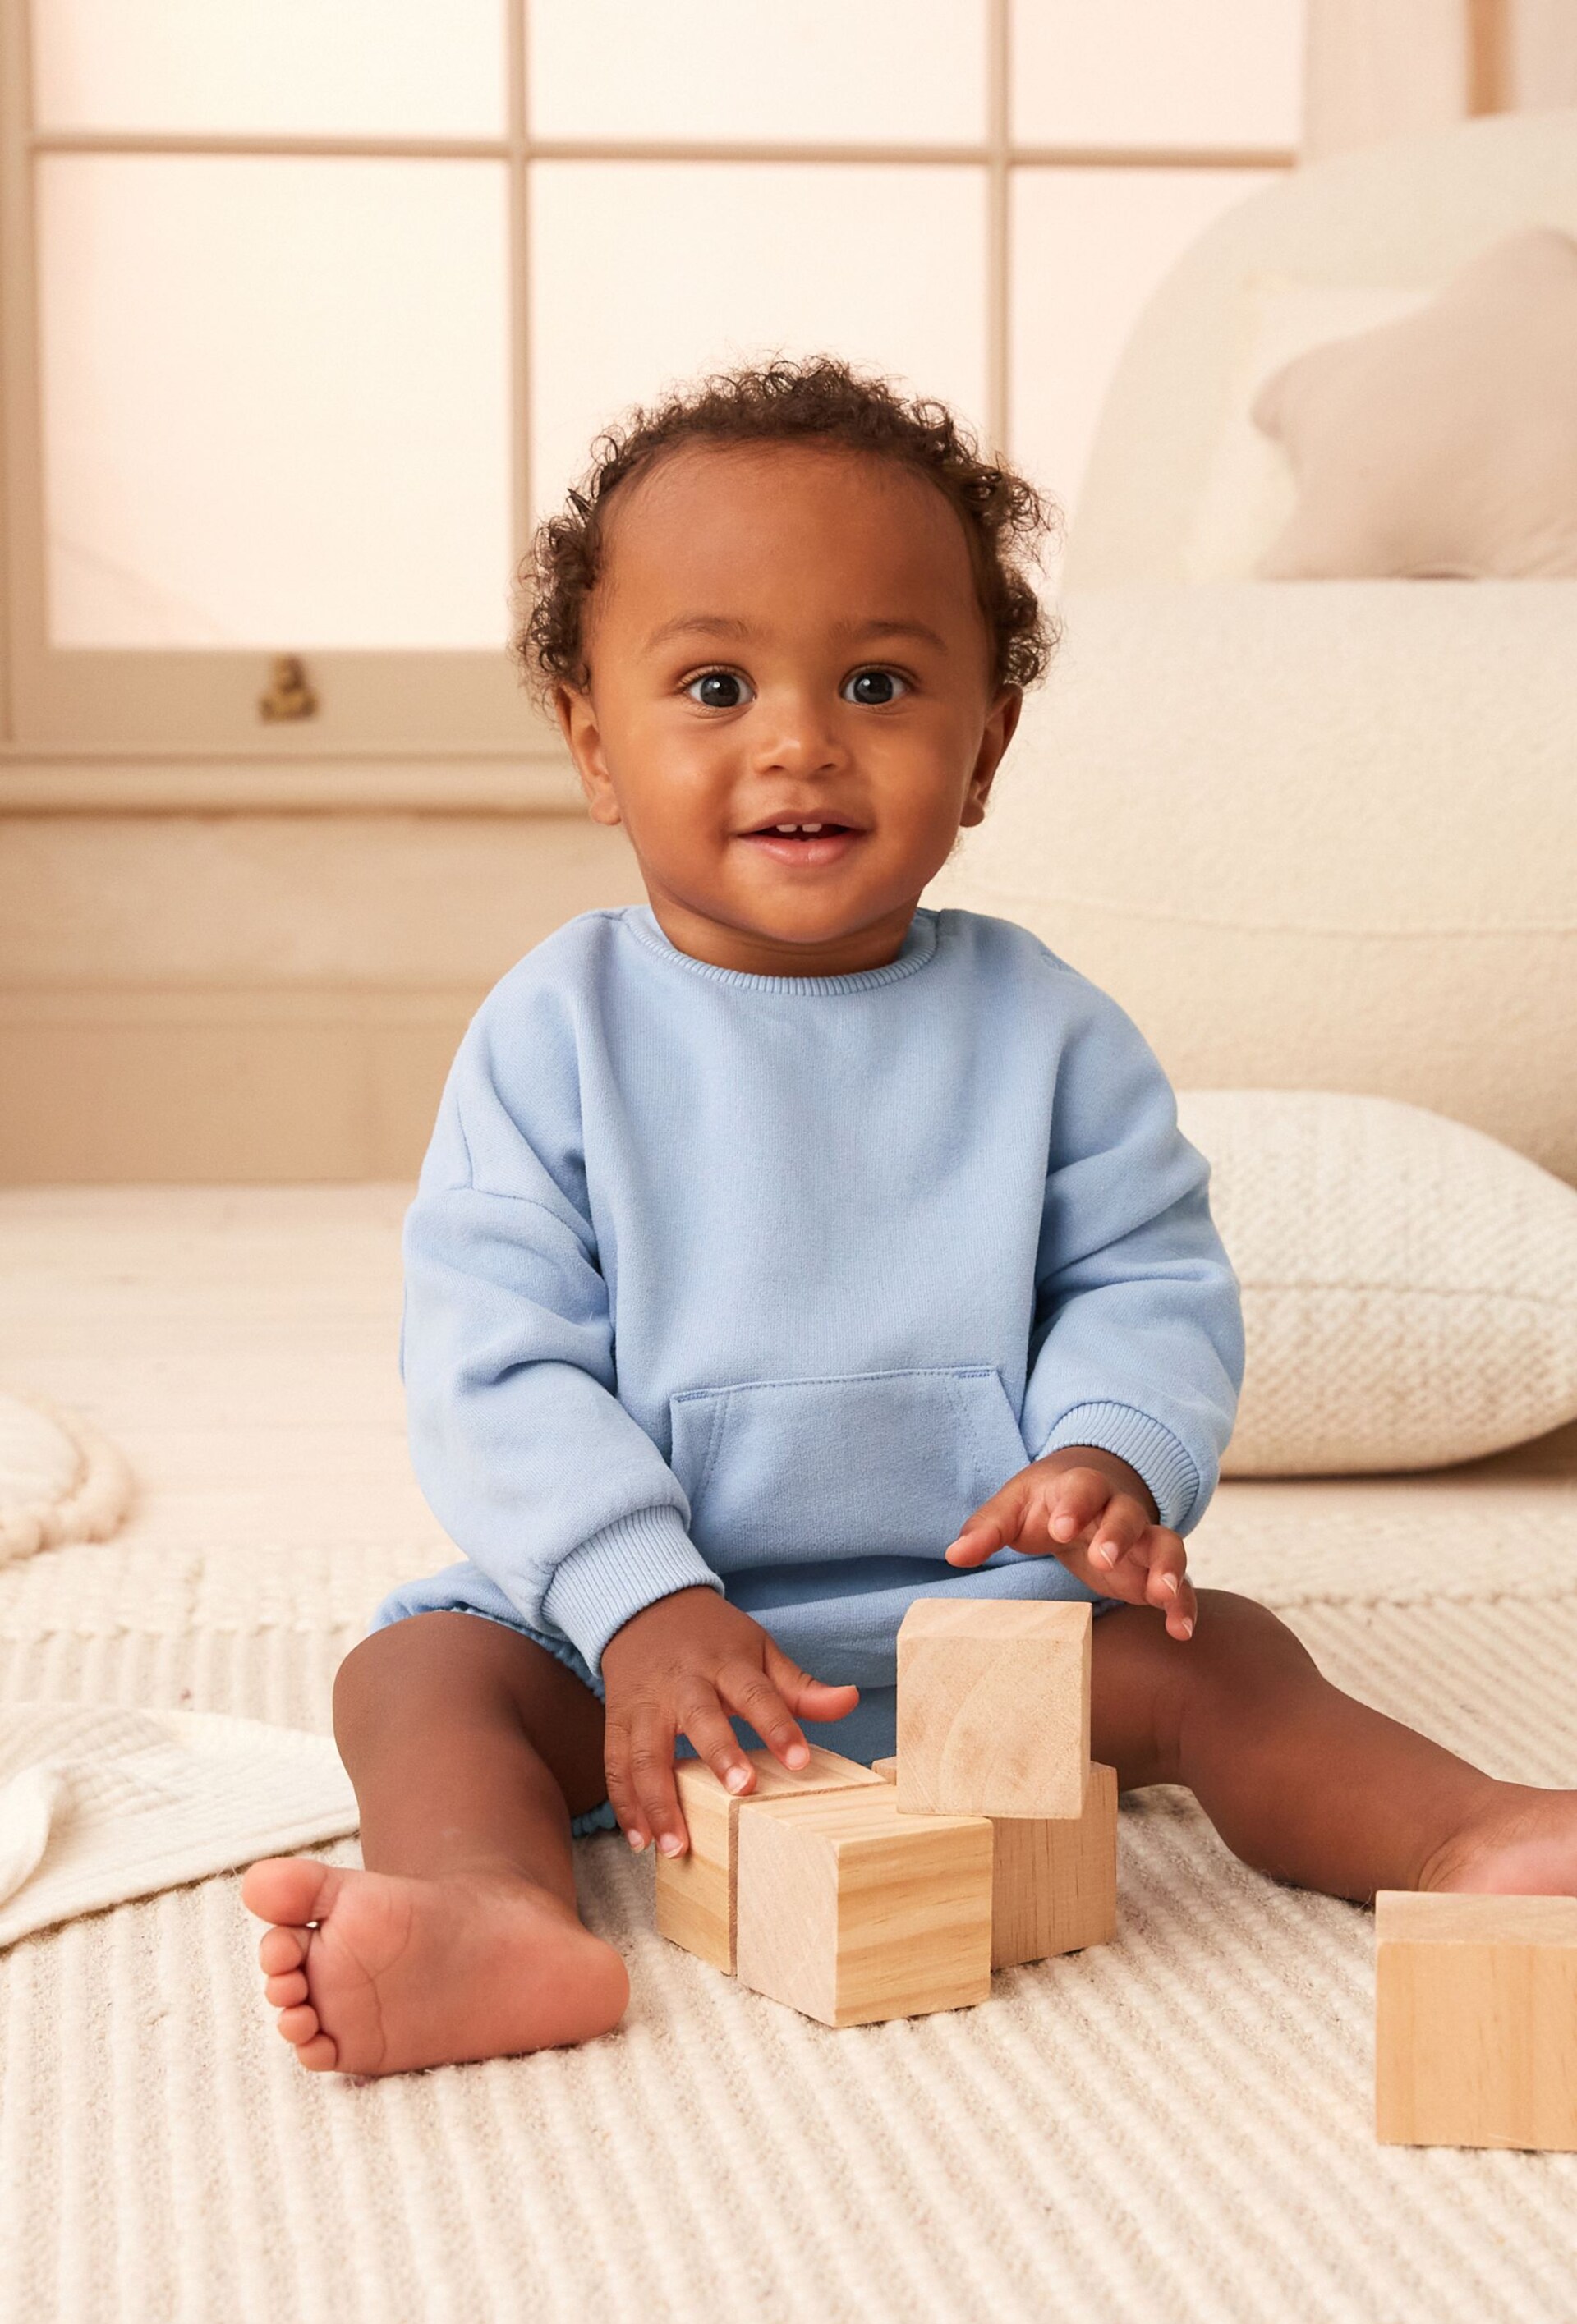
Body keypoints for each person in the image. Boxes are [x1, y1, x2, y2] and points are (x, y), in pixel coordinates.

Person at [242, 356, 1577, 2076]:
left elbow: (1145, 1275)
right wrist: (637, 1600)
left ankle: (1471, 1835)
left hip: (992, 1631)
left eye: (877, 682)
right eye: (715, 685)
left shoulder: (1048, 1032)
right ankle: (498, 1920)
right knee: (419, 1684)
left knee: (1231, 1662)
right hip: (641, 1639)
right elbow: (494, 1367)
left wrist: (1108, 1460)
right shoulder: (555, 1035)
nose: (800, 740)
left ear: (987, 746)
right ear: (594, 739)